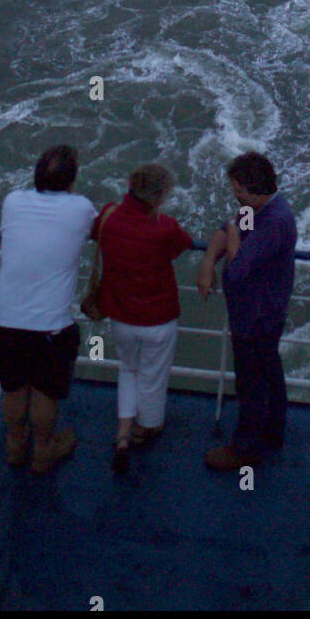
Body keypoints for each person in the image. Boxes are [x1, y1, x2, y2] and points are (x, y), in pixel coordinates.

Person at [0, 144, 97, 474]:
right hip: (50, 327)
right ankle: (44, 451)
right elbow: (98, 231)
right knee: (44, 393)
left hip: (3, 320)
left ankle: (16, 445)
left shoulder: (13, 201)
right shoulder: (81, 208)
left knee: (13, 387)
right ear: (72, 179)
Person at [197, 152, 297, 472]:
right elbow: (226, 229)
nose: (234, 195)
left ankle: (245, 448)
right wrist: (208, 262)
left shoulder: (274, 222)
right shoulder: (260, 208)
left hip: (257, 316)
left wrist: (235, 235)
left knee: (251, 383)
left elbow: (239, 267)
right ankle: (273, 432)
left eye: (238, 190)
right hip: (257, 312)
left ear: (253, 190)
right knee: (268, 372)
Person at [92, 163, 192, 473]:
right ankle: (146, 427)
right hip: (158, 319)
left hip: (121, 316)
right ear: (160, 196)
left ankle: (122, 434)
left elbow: (95, 232)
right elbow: (182, 246)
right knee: (152, 376)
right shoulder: (166, 228)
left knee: (128, 370)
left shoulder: (108, 216)